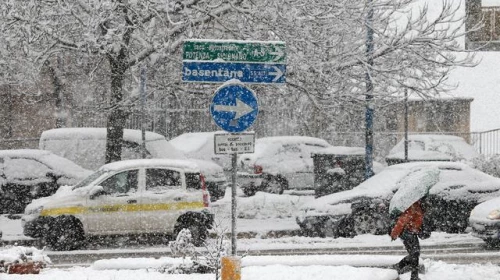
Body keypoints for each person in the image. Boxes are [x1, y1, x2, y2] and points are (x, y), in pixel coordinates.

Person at [390, 198, 426, 280]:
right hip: (408, 233)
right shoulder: (412, 207)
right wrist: (395, 233)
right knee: (415, 254)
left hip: (412, 232)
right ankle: (413, 276)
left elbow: (416, 220)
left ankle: (399, 267)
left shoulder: (417, 206)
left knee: (414, 254)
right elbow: (402, 221)